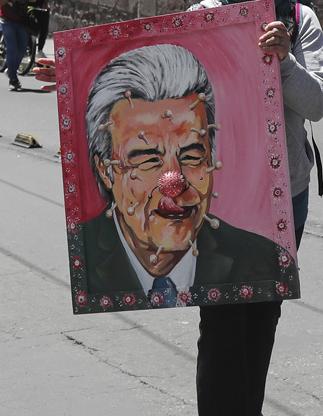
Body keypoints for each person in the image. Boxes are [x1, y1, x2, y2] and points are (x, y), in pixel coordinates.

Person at [188, 0, 323, 416]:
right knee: (222, 316)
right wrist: (69, 74)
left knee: (263, 310)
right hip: (218, 192)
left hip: (282, 191)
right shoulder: (199, 19)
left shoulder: (299, 16)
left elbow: (317, 102)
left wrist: (284, 56)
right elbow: (162, 85)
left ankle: (248, 413)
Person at [81, 44, 294, 297]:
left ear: (210, 157)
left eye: (192, 156)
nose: (174, 181)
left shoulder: (264, 261)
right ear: (106, 170)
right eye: (148, 160)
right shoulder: (81, 255)